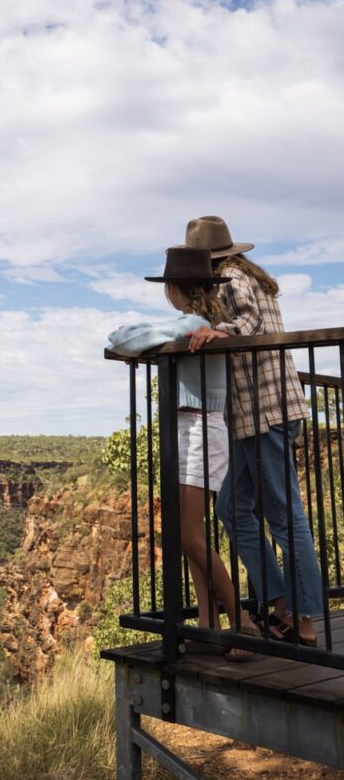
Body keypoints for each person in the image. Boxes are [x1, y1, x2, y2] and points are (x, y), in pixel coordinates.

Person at [108, 246, 257, 660]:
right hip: (194, 428)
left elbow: (124, 338)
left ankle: (240, 622)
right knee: (188, 534)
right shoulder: (204, 323)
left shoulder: (191, 324)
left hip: (199, 430)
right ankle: (209, 624)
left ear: (173, 289)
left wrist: (148, 343)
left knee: (189, 536)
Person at [184, 215, 323, 646]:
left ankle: (303, 621)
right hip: (256, 415)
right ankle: (279, 601)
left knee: (284, 515)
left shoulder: (231, 277)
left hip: (266, 413)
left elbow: (247, 322)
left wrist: (214, 331)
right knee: (231, 508)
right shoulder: (248, 275)